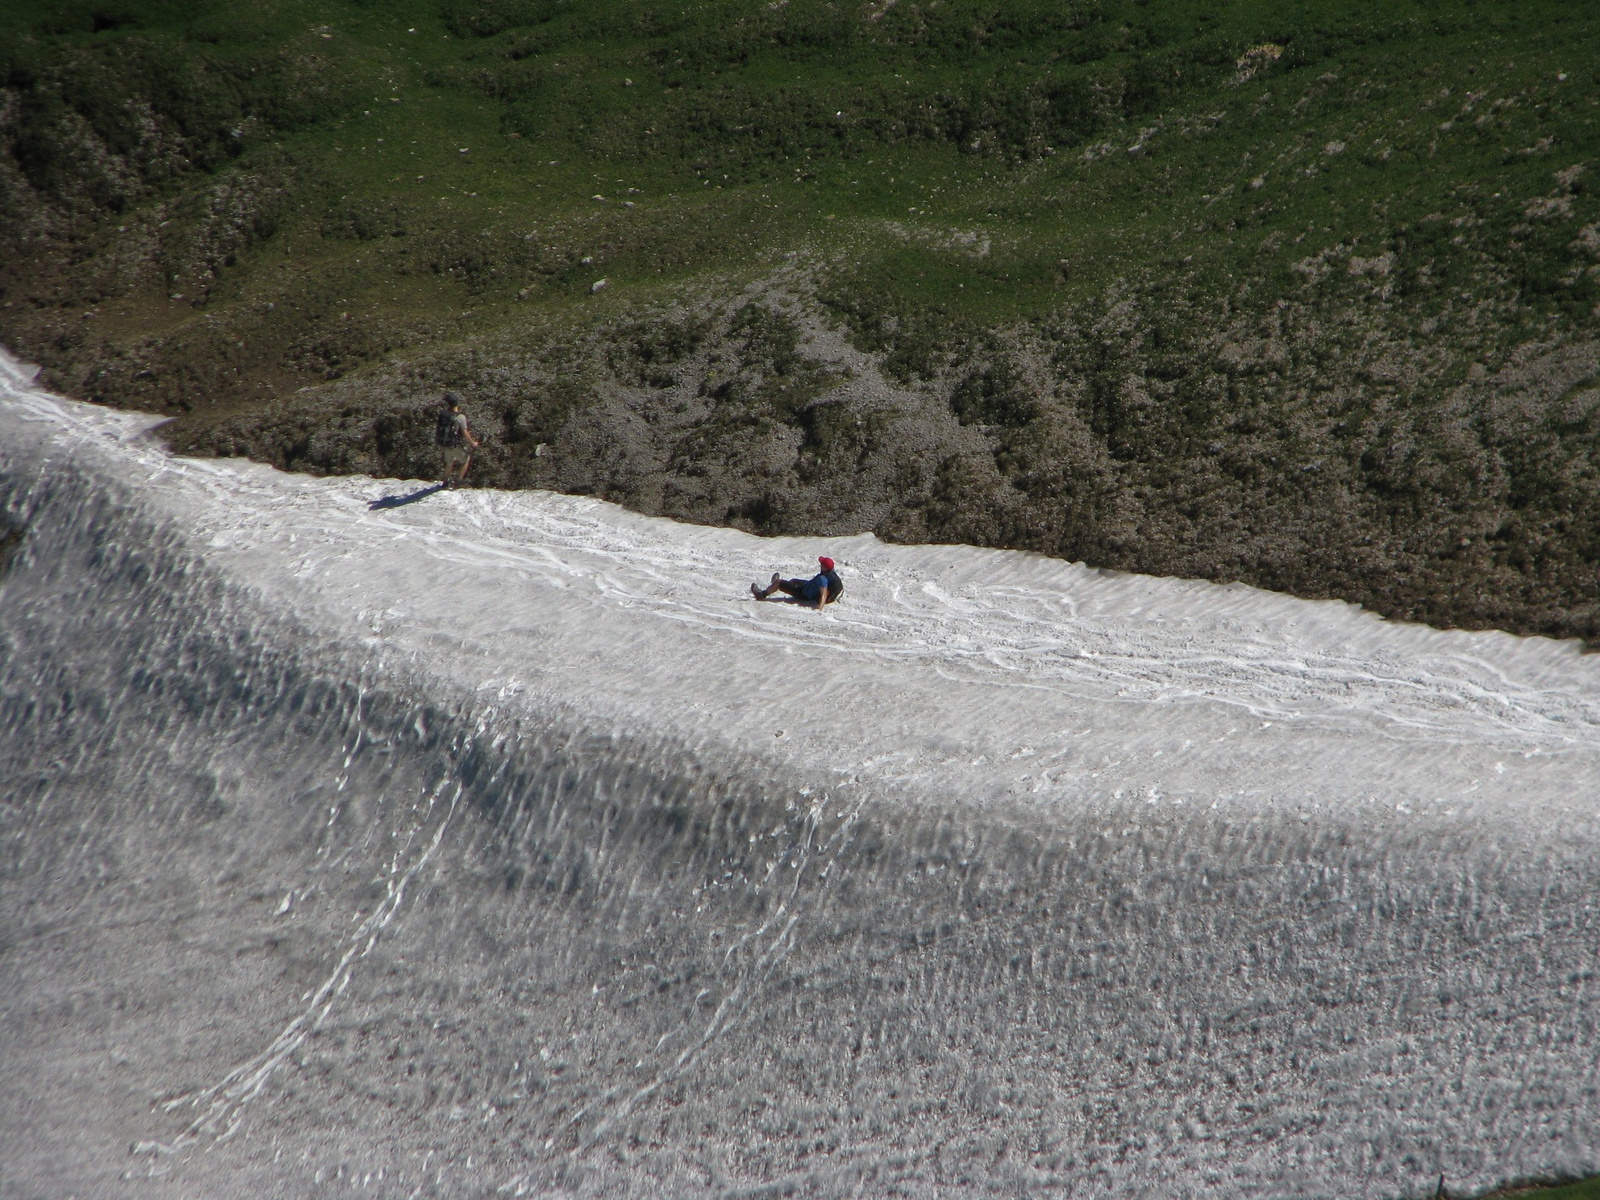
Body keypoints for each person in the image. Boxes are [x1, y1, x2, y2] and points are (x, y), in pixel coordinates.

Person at [752, 556, 844, 610]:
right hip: (808, 586)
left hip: (803, 593)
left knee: (780, 583)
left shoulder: (823, 579)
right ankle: (774, 585)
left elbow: (823, 592)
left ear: (824, 567)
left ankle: (761, 595)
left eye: (821, 564)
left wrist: (820, 606)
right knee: (793, 581)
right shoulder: (832, 574)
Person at [435, 392, 480, 488]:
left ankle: (445, 482)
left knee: (449, 462)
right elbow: (465, 433)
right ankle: (459, 482)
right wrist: (473, 443)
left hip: (444, 444)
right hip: (452, 445)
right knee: (466, 459)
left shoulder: (443, 415)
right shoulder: (460, 417)